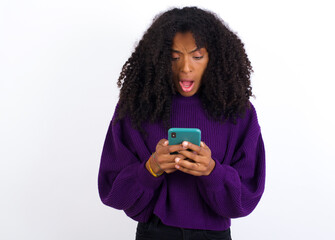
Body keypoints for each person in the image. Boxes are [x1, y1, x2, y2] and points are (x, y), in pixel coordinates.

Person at [98, 6, 265, 240]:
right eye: (174, 57)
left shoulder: (238, 112)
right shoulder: (135, 109)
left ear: (214, 57)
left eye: (197, 56)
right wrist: (150, 168)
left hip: (214, 235)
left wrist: (212, 171)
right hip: (155, 232)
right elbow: (112, 191)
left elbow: (248, 195)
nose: (185, 67)